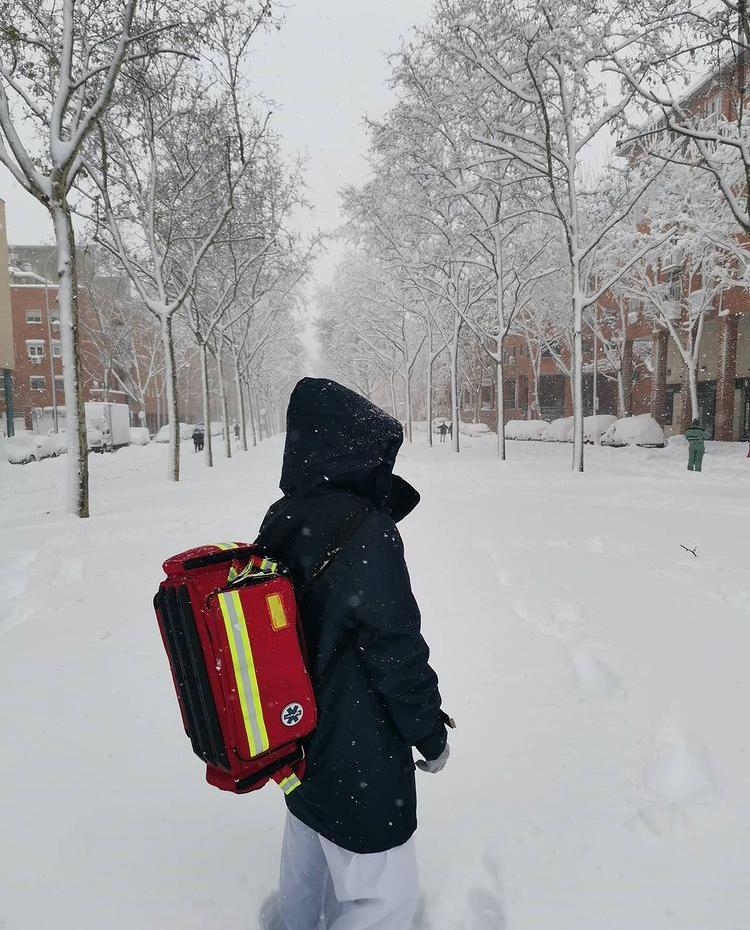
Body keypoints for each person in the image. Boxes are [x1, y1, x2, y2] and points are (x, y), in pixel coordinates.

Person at [256, 377, 449, 930]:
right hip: (356, 740)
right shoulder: (365, 532)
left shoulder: (282, 516)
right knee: (384, 895)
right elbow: (396, 649)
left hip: (296, 730)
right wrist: (428, 732)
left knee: (308, 846)